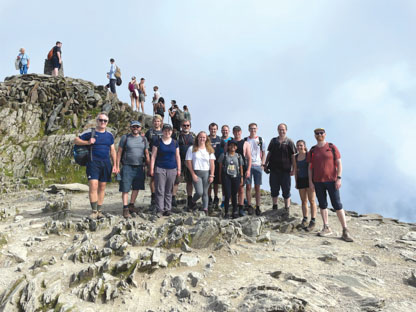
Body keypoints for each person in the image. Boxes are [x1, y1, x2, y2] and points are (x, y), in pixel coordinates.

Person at [307, 128, 353, 242]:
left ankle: (345, 230)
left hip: (332, 180)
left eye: (321, 133)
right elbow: (310, 168)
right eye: (317, 133)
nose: (319, 135)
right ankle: (326, 227)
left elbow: (339, 163)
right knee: (322, 205)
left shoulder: (332, 147)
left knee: (337, 204)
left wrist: (339, 178)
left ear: (325, 134)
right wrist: (311, 182)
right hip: (318, 181)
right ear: (314, 136)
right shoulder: (312, 150)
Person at [74, 112, 117, 219]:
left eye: (105, 121)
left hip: (106, 163)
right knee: (93, 186)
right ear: (97, 121)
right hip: (93, 162)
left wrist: (115, 164)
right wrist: (88, 142)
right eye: (101, 120)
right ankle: (94, 211)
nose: (103, 122)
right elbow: (76, 140)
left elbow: (113, 150)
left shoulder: (110, 135)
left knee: (102, 187)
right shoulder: (90, 132)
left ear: (107, 122)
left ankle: (99, 211)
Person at [116, 121, 150, 219]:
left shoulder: (144, 139)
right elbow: (119, 152)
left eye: (137, 126)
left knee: (136, 187)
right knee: (125, 188)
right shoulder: (125, 138)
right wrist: (117, 166)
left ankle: (131, 205)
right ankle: (125, 208)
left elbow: (147, 153)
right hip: (127, 166)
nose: (135, 128)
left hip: (140, 166)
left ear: (140, 128)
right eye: (134, 126)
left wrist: (149, 167)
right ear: (131, 127)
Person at [264, 123, 297, 217]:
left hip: (286, 170)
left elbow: (293, 156)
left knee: (286, 189)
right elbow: (269, 153)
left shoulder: (290, 142)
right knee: (274, 188)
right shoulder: (273, 141)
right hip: (274, 169)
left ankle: (287, 208)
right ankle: (275, 206)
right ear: (277, 130)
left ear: (286, 130)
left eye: (283, 129)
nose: (281, 131)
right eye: (280, 129)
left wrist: (294, 169)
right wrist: (265, 164)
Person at [149, 124, 181, 217]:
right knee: (160, 189)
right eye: (165, 131)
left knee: (169, 189)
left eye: (169, 131)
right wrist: (151, 168)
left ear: (172, 132)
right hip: (160, 168)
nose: (167, 132)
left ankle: (168, 209)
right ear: (162, 131)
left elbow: (177, 156)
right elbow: (153, 156)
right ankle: (160, 209)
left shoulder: (175, 143)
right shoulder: (157, 142)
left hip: (172, 168)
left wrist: (179, 169)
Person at [186, 131, 216, 214]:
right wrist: (193, 174)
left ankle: (205, 209)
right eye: (200, 137)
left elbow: (212, 163)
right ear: (197, 138)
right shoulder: (192, 148)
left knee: (205, 192)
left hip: (206, 173)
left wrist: (212, 175)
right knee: (199, 192)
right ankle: (192, 202)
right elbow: (188, 162)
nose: (202, 139)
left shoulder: (209, 149)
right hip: (196, 172)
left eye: (204, 137)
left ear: (206, 139)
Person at [227, 126, 251, 217]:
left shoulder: (245, 143)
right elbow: (226, 155)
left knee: (241, 189)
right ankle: (234, 208)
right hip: (230, 168)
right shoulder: (229, 142)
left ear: (241, 132)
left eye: (238, 131)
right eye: (235, 132)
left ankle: (241, 208)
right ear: (233, 132)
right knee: (232, 190)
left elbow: (249, 158)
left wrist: (248, 170)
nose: (237, 133)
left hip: (241, 169)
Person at [294, 140, 317, 231]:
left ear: (304, 146)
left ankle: (313, 219)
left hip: (309, 180)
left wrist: (312, 181)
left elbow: (312, 167)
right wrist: (296, 182)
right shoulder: (295, 157)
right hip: (300, 180)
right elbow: (295, 169)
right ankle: (305, 218)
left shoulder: (309, 155)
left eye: (301, 145)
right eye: (298, 145)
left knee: (312, 200)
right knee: (303, 200)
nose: (299, 147)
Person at [218, 140, 244, 219]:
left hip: (236, 177)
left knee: (234, 194)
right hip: (226, 177)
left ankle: (234, 212)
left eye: (234, 145)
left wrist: (242, 178)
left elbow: (241, 167)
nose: (233, 147)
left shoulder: (239, 156)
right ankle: (226, 212)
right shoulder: (224, 155)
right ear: (228, 146)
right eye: (231, 145)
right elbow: (220, 167)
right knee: (227, 194)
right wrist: (220, 177)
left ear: (236, 147)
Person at [245, 123, 266, 216]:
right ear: (249, 129)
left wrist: (263, 164)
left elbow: (264, 153)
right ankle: (249, 206)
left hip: (258, 165)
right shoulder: (246, 140)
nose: (253, 130)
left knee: (257, 187)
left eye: (254, 128)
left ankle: (258, 207)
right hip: (248, 166)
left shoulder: (261, 140)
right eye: (251, 128)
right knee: (248, 187)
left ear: (257, 129)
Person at [172, 120, 195, 208]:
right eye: (184, 125)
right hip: (179, 160)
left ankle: (189, 199)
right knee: (176, 180)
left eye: (187, 125)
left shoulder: (193, 136)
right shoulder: (176, 135)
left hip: (190, 161)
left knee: (189, 181)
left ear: (190, 126)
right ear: (181, 126)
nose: (186, 127)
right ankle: (173, 198)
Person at [145, 115, 163, 206]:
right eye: (155, 121)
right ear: (153, 122)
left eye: (158, 121)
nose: (157, 123)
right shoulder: (149, 132)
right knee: (152, 177)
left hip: (162, 157)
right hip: (152, 157)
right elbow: (146, 145)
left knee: (162, 177)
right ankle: (153, 196)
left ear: (161, 122)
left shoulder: (164, 132)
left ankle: (161, 196)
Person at [207, 123, 222, 209]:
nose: (213, 130)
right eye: (212, 129)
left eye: (215, 129)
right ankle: (209, 197)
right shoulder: (206, 139)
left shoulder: (219, 139)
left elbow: (225, 149)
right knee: (209, 182)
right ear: (209, 129)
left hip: (217, 163)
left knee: (216, 182)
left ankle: (216, 197)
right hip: (207, 163)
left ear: (217, 130)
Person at [219, 125, 232, 208]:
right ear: (221, 131)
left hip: (231, 163)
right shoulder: (219, 140)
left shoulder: (232, 140)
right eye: (223, 130)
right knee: (223, 184)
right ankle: (223, 200)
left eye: (226, 130)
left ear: (229, 131)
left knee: (233, 184)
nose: (225, 132)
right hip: (221, 161)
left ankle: (233, 200)